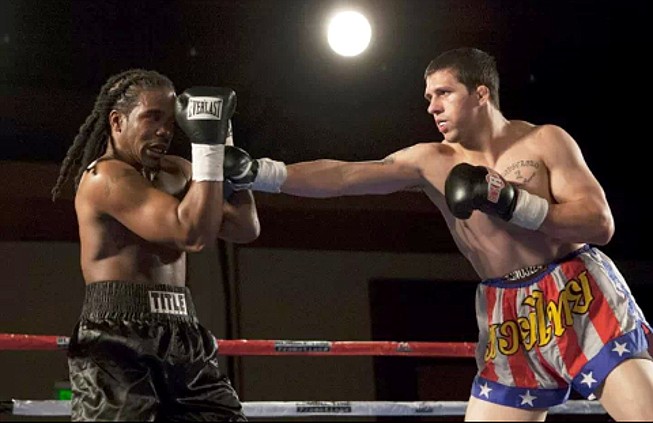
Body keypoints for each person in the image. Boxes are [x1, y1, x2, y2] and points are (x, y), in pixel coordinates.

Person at [222, 48, 653, 421]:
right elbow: (346, 175)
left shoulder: (545, 142)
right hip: (508, 313)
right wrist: (262, 173)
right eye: (428, 98)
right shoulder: (430, 161)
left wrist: (513, 204)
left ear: (481, 93)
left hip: (576, 293)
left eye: (443, 93)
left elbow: (600, 223)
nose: (432, 107)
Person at [51, 69, 259, 421]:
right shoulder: (105, 177)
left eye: (171, 121)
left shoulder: (177, 171)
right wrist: (208, 155)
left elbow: (244, 227)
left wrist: (224, 149)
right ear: (117, 121)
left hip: (183, 331)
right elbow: (190, 233)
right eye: (152, 118)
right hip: (116, 339)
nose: (165, 131)